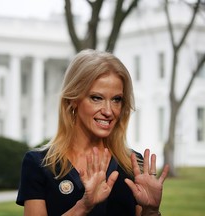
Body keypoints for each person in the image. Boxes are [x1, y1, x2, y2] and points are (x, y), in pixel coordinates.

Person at [16, 49, 169, 216]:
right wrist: (83, 206)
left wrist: (151, 210)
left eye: (116, 99)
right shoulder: (40, 164)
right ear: (73, 100)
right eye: (97, 98)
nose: (109, 111)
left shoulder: (132, 164)